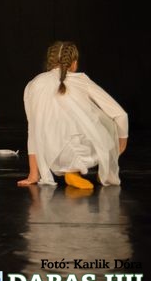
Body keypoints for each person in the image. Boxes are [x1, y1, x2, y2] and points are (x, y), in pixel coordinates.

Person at [18, 41, 128, 189]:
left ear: (50, 62)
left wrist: (33, 174)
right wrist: (119, 147)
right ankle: (99, 171)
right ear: (74, 63)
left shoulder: (33, 84)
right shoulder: (81, 80)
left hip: (52, 156)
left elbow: (33, 130)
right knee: (108, 123)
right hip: (83, 154)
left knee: (50, 128)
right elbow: (120, 115)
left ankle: (72, 171)